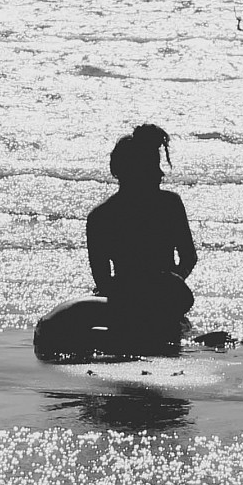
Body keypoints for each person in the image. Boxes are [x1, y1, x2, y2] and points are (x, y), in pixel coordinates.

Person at [85, 124, 197, 345]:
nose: (160, 173)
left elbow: (103, 280)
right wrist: (171, 282)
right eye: (153, 167)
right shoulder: (169, 205)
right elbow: (188, 258)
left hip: (131, 305)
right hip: (154, 306)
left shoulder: (100, 217)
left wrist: (168, 284)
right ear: (132, 172)